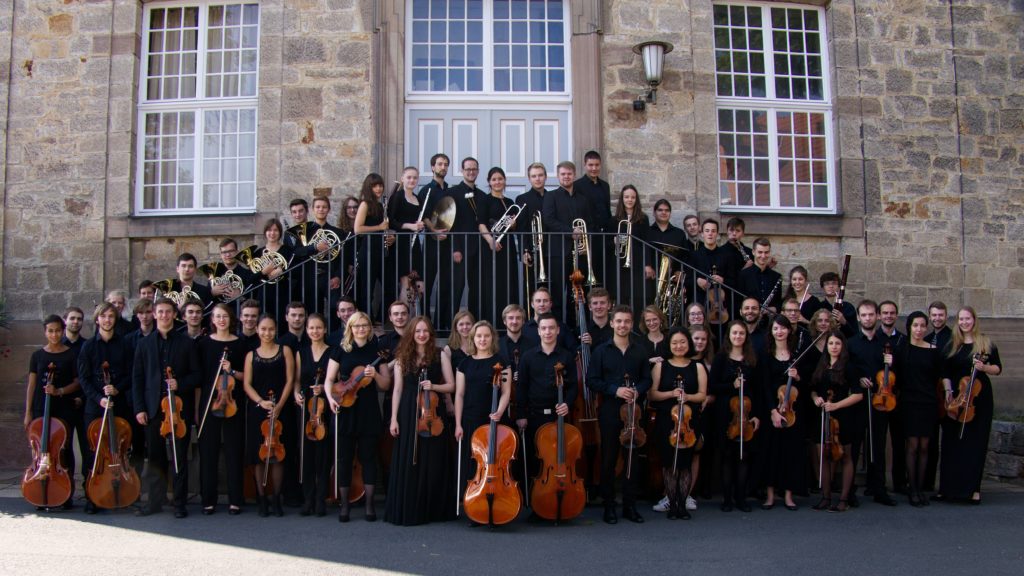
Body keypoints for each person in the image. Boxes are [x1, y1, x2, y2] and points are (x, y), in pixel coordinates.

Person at [132, 298, 200, 518]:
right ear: (154, 314)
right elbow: (138, 379)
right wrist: (140, 408)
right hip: (153, 409)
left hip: (178, 410)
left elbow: (197, 375)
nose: (164, 315)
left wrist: (180, 383)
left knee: (179, 457)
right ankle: (155, 501)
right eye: (160, 312)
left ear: (174, 314)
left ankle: (180, 503)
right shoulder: (144, 344)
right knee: (155, 458)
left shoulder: (186, 343)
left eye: (168, 312)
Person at [385, 316, 456, 525]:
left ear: (430, 333)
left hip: (432, 413)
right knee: (411, 460)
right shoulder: (402, 357)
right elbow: (397, 390)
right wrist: (393, 419)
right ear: (411, 334)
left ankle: (432, 510)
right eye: (417, 331)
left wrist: (433, 386)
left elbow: (451, 385)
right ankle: (412, 508)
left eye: (425, 331)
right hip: (408, 411)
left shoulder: (440, 355)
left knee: (433, 460)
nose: (422, 334)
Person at [587, 306, 653, 524]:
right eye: (619, 321)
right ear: (612, 323)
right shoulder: (601, 351)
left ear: (631, 324)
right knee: (609, 458)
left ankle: (629, 505)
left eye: (627, 321)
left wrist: (637, 391)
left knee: (631, 459)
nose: (623, 325)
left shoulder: (640, 350)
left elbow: (647, 379)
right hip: (610, 410)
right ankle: (609, 505)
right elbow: (591, 380)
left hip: (634, 412)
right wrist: (615, 390)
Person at [325, 311, 390, 522]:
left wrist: (376, 374)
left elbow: (385, 385)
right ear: (350, 328)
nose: (361, 329)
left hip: (368, 411)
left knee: (368, 458)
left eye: (365, 325)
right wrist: (330, 398)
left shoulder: (377, 351)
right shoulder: (340, 350)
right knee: (344, 459)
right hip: (345, 408)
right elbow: (329, 380)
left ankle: (369, 505)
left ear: (369, 327)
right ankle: (345, 504)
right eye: (357, 326)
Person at [936, 307, 1001, 505]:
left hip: (978, 398)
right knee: (951, 443)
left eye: (968, 319)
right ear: (958, 322)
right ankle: (948, 489)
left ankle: (973, 490)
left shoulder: (985, 343)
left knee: (975, 443)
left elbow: (997, 368)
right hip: (956, 398)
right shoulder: (952, 344)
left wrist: (983, 367)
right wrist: (948, 391)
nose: (965, 322)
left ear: (974, 320)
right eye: (961, 319)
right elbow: (945, 372)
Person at [514, 313, 578, 509]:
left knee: (560, 459)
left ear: (558, 330)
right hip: (535, 416)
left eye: (551, 328)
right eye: (544, 328)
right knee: (536, 461)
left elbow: (573, 386)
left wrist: (567, 403)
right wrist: (521, 415)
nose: (548, 332)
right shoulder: (528, 357)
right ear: (538, 331)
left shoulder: (566, 356)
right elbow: (522, 387)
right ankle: (538, 505)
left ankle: (561, 501)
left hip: (559, 417)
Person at [78, 302, 135, 514]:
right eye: (103, 316)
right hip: (95, 407)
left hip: (119, 405)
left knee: (121, 449)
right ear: (97, 319)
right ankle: (92, 497)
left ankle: (123, 491)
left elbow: (131, 373)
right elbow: (84, 379)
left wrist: (117, 388)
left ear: (115, 319)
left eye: (111, 316)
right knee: (93, 454)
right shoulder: (88, 347)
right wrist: (98, 398)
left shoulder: (125, 344)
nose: (107, 320)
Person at [454, 321, 512, 525]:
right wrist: (458, 423)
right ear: (473, 338)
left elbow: (506, 392)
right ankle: (475, 507)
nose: (483, 339)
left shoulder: (501, 362)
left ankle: (498, 503)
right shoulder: (465, 364)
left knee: (495, 462)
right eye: (479, 336)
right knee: (474, 465)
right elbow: (459, 395)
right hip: (470, 419)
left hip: (494, 420)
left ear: (492, 338)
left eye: (486, 336)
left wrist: (499, 411)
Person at [649, 329, 708, 519]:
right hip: (667, 421)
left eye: (682, 342)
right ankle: (672, 504)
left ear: (688, 344)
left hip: (689, 421)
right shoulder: (661, 366)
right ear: (669, 345)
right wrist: (671, 394)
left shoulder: (697, 367)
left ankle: (682, 505)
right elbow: (652, 394)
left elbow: (702, 395)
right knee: (668, 463)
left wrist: (688, 397)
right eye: (674, 343)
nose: (679, 346)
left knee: (685, 463)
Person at [195, 303, 247, 516]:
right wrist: (198, 409)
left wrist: (231, 370)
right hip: (210, 401)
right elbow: (199, 379)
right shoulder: (203, 344)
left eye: (225, 316)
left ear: (231, 319)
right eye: (217, 316)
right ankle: (208, 500)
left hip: (233, 402)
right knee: (208, 452)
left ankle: (235, 499)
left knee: (234, 451)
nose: (221, 320)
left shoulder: (240, 344)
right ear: (212, 320)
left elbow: (247, 376)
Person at [24, 314, 80, 510]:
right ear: (45, 332)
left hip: (63, 406)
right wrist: (28, 412)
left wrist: (59, 391)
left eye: (57, 331)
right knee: (42, 449)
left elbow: (77, 382)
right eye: (50, 331)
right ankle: (41, 489)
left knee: (63, 450)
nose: (54, 334)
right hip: (42, 406)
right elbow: (32, 385)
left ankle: (66, 493)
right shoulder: (37, 356)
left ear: (62, 331)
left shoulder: (71, 354)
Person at [846, 299, 899, 507]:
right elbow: (846, 368)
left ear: (877, 316)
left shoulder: (886, 344)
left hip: (880, 399)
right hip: (858, 401)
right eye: (864, 315)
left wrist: (891, 364)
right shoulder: (851, 343)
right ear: (859, 318)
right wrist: (858, 379)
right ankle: (849, 491)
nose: (867, 318)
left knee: (878, 445)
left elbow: (895, 375)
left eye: (871, 315)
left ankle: (879, 490)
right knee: (855, 445)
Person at [242, 315, 295, 517]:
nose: (267, 333)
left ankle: (277, 499)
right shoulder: (251, 355)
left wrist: (279, 405)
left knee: (278, 455)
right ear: (257, 330)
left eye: (271, 329)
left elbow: (290, 380)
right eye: (263, 329)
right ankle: (262, 498)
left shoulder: (285, 351)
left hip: (281, 408)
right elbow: (247, 384)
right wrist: (260, 401)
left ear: (276, 330)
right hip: (258, 409)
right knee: (259, 455)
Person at [709, 320, 761, 512]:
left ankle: (741, 498)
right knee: (727, 455)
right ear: (729, 336)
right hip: (725, 413)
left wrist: (755, 415)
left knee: (744, 456)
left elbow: (757, 390)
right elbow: (712, 386)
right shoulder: (721, 358)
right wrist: (732, 386)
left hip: (745, 414)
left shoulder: (751, 359)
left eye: (741, 333)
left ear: (746, 336)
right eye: (734, 333)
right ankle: (727, 499)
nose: (738, 336)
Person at [811, 331, 862, 512]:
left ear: (843, 346)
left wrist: (836, 405)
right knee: (824, 457)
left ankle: (843, 499)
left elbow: (858, 395)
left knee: (846, 457)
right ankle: (825, 497)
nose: (834, 347)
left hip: (843, 417)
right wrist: (815, 398)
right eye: (831, 343)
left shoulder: (849, 367)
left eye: (837, 343)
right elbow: (814, 389)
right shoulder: (821, 365)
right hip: (823, 416)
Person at [759, 315, 805, 511]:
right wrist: (773, 411)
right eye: (775, 328)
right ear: (771, 331)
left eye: (783, 328)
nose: (779, 331)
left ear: (789, 330)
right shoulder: (766, 355)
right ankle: (770, 495)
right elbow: (764, 385)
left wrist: (798, 377)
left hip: (792, 410)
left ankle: (788, 495)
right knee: (771, 452)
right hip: (772, 409)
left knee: (790, 453)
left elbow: (806, 383)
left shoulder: (796, 356)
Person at [898, 311, 941, 507]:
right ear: (909, 327)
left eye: (923, 326)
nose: (919, 329)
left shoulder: (933, 350)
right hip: (909, 402)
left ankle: (920, 488)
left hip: (928, 402)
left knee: (925, 447)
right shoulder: (902, 349)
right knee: (913, 446)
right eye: (915, 325)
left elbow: (937, 377)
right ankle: (912, 488)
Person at [541, 161, 594, 321]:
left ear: (574, 175)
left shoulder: (583, 199)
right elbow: (548, 220)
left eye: (569, 174)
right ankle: (556, 326)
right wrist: (570, 232)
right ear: (558, 176)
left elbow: (589, 222)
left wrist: (583, 234)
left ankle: (575, 325)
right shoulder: (551, 196)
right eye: (563, 174)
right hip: (558, 252)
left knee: (576, 292)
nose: (566, 177)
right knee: (557, 293)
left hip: (579, 253)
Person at [293, 313, 333, 517]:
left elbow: (335, 380)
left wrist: (324, 389)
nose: (315, 331)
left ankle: (321, 499)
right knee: (307, 455)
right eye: (311, 328)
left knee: (323, 457)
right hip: (307, 408)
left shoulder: (332, 352)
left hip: (324, 408)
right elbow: (297, 380)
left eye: (318, 327)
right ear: (307, 330)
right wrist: (296, 394)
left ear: (325, 329)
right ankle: (308, 498)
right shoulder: (301, 353)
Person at [477, 166, 521, 323]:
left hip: (507, 246)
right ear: (489, 182)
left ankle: (509, 321)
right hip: (490, 246)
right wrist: (491, 241)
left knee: (508, 282)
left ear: (505, 181)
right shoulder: (484, 200)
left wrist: (514, 224)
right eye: (494, 179)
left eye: (500, 179)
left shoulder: (509, 202)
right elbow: (481, 224)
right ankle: (492, 321)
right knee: (493, 284)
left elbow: (513, 227)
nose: (497, 182)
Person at [447, 158, 486, 323]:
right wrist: (455, 248)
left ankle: (475, 325)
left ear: (478, 171)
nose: (471, 172)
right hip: (460, 249)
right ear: (462, 171)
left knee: (476, 290)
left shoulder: (482, 195)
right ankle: (450, 325)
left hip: (479, 249)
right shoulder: (453, 192)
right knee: (456, 289)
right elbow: (450, 223)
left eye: (474, 169)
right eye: (468, 169)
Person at [353, 173, 396, 320]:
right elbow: (358, 229)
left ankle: (380, 319)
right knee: (367, 290)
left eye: (380, 185)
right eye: (375, 186)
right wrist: (379, 227)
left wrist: (389, 236)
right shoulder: (365, 204)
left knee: (390, 287)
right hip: (368, 251)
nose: (378, 188)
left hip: (381, 251)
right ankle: (366, 321)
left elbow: (383, 228)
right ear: (368, 187)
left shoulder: (380, 205)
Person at [419, 153, 451, 332]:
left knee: (445, 284)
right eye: (439, 164)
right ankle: (426, 322)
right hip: (432, 243)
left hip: (447, 243)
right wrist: (434, 231)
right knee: (428, 283)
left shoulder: (449, 190)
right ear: (432, 167)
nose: (443, 167)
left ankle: (441, 323)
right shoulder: (426, 190)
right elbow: (424, 216)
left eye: (445, 164)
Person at [389, 166, 427, 314]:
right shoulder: (397, 197)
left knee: (418, 284)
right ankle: (403, 321)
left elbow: (418, 223)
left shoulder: (418, 199)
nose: (412, 180)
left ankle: (414, 319)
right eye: (409, 177)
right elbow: (391, 222)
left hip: (415, 244)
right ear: (402, 178)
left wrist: (420, 226)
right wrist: (410, 226)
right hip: (402, 244)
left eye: (415, 178)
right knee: (406, 283)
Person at [692, 219, 741, 325]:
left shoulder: (727, 255)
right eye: (707, 231)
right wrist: (697, 280)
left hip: (722, 306)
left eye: (713, 231)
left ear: (717, 234)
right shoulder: (694, 255)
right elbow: (686, 278)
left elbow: (734, 281)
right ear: (702, 234)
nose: (710, 234)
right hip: (701, 303)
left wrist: (723, 280)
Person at [612, 185, 649, 312]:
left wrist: (647, 264)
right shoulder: (614, 220)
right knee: (622, 298)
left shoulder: (643, 219)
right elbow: (607, 243)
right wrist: (615, 241)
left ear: (636, 199)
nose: (630, 200)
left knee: (638, 297)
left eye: (633, 197)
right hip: (620, 263)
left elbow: (646, 242)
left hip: (638, 262)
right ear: (622, 199)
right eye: (626, 197)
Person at [517, 162, 550, 300]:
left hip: (551, 250)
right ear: (529, 178)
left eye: (540, 175)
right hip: (532, 250)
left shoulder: (553, 197)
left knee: (552, 287)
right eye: (534, 176)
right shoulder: (522, 199)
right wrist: (524, 251)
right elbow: (521, 228)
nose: (538, 179)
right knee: (531, 287)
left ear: (546, 177)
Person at [252, 218, 295, 323]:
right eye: (269, 230)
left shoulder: (287, 251)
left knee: (281, 322)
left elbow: (295, 272)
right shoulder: (258, 253)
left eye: (275, 230)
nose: (272, 233)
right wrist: (264, 272)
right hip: (264, 293)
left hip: (282, 292)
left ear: (280, 232)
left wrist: (282, 271)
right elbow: (251, 278)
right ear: (265, 232)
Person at [737, 237, 782, 312]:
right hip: (749, 317)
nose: (763, 256)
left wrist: (773, 309)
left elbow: (779, 303)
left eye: (766, 252)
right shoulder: (743, 275)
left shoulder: (776, 277)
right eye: (760, 252)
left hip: (769, 318)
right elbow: (738, 302)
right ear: (753, 252)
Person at [207, 238, 257, 304]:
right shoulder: (214, 274)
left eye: (231, 251)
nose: (228, 255)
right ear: (220, 254)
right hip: (219, 309)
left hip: (239, 310)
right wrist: (212, 293)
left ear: (237, 252)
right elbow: (206, 301)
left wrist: (241, 298)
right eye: (224, 252)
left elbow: (254, 299)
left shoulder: (247, 274)